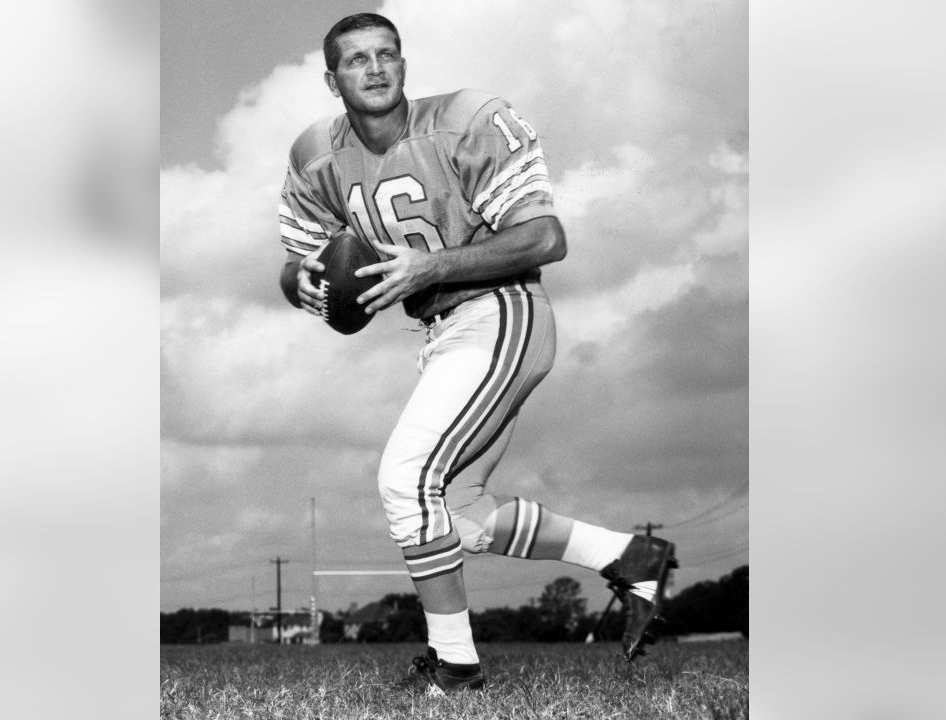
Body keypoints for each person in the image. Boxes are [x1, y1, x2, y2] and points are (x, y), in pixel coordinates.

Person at [277, 13, 677, 694]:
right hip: (442, 333)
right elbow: (293, 263)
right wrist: (304, 282)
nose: (374, 69)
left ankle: (457, 666)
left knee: (405, 481)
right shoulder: (317, 150)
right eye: (355, 60)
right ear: (330, 78)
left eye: (387, 56)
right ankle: (633, 556)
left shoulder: (465, 120)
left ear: (404, 65)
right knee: (457, 517)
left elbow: (547, 237)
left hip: (502, 309)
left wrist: (433, 269)